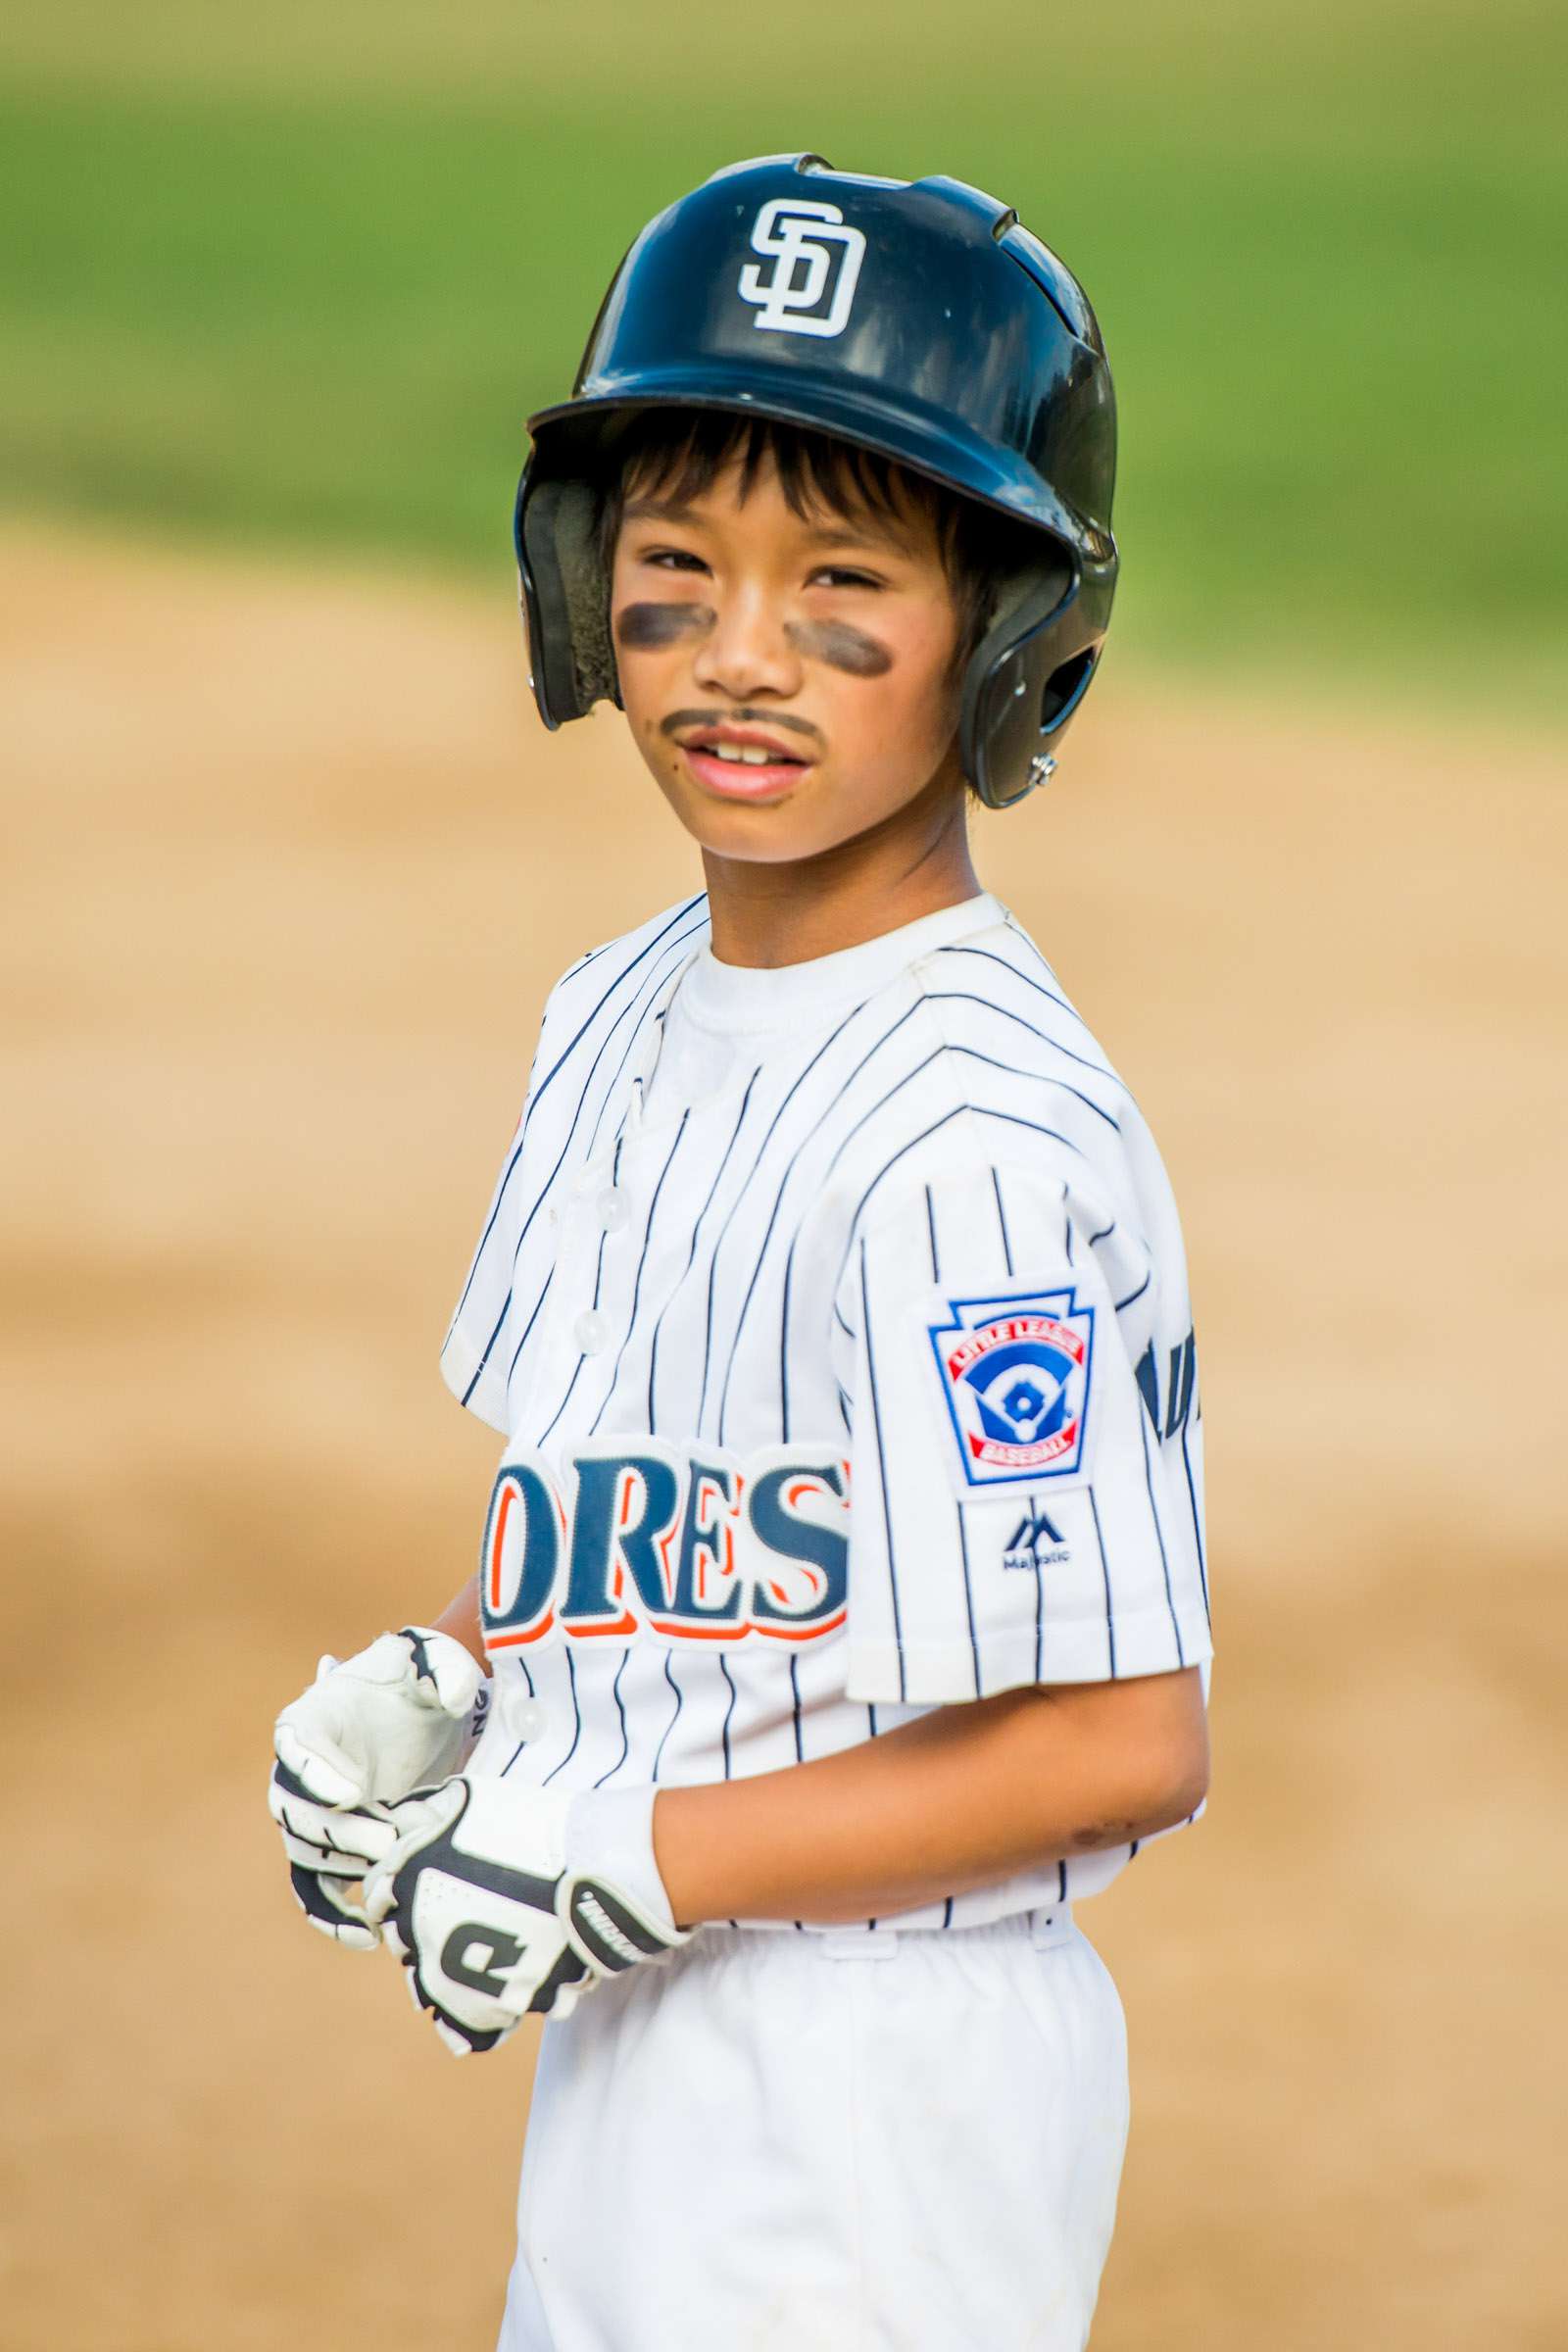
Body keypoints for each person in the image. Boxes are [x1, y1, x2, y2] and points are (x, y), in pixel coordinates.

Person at [269, 154, 1213, 2352]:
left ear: (1000, 626)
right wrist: (454, 1702)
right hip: (645, 2029)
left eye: (839, 583)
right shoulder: (611, 1010)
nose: (738, 657)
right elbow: (642, 1527)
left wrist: (637, 1860)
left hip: (884, 2074)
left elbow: (1117, 1735)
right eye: (675, 569)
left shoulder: (966, 1133)